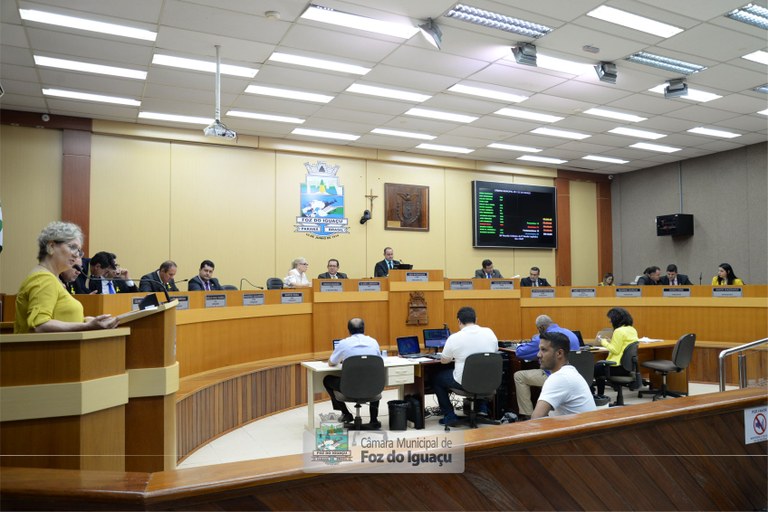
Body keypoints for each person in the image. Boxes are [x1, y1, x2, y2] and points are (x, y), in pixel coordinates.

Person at [14, 221, 118, 333]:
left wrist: (86, 321)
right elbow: (40, 325)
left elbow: (60, 317)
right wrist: (87, 326)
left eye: (78, 251)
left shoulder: (53, 279)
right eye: (72, 247)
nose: (76, 255)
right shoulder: (43, 279)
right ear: (51, 246)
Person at [433, 306, 499, 426]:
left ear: (458, 321)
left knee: (437, 378)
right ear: (476, 319)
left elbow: (444, 361)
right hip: (488, 381)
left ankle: (449, 416)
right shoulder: (489, 332)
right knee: (481, 373)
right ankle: (482, 408)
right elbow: (493, 352)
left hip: (465, 383)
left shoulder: (454, 338)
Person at [513, 315, 580, 420]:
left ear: (541, 328)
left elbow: (520, 353)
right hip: (574, 376)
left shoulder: (545, 338)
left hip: (554, 375)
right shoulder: (571, 334)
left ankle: (527, 416)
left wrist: (525, 343)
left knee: (519, 376)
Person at [323, 318, 382, 428]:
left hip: (349, 388)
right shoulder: (373, 342)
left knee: (327, 380)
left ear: (349, 330)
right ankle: (374, 420)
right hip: (372, 387)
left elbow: (331, 362)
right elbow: (378, 360)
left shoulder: (343, 343)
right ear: (364, 329)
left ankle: (346, 413)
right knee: (372, 377)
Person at [531, 332, 597, 419]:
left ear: (559, 353)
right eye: (539, 349)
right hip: (584, 426)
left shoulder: (559, 378)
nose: (538, 355)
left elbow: (535, 419)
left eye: (544, 350)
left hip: (578, 427)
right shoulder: (569, 372)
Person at [593, 307, 638, 399]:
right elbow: (623, 345)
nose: (610, 321)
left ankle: (599, 395)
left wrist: (603, 342)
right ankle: (599, 395)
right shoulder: (632, 329)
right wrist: (611, 341)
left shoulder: (618, 331)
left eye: (611, 319)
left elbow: (615, 350)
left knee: (594, 369)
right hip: (627, 367)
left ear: (616, 319)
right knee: (598, 368)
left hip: (616, 367)